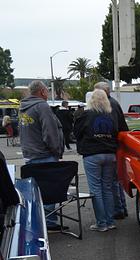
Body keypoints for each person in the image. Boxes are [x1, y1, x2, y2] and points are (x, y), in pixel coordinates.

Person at [18, 80, 65, 231]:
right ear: (42, 92)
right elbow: (49, 132)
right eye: (47, 91)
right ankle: (49, 221)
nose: (48, 93)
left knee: (36, 192)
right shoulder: (42, 106)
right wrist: (56, 151)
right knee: (50, 191)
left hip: (30, 154)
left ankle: (39, 222)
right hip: (44, 155)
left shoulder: (23, 108)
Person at [74, 89, 119, 232]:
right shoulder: (110, 116)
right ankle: (110, 221)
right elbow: (116, 133)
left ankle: (101, 223)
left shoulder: (86, 115)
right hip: (110, 154)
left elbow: (76, 133)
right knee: (107, 188)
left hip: (92, 154)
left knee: (96, 189)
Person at [94, 82, 129, 219]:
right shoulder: (113, 103)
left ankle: (117, 209)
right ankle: (120, 207)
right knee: (114, 180)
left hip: (109, 146)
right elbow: (121, 125)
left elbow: (113, 126)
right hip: (114, 145)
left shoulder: (108, 105)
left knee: (110, 182)